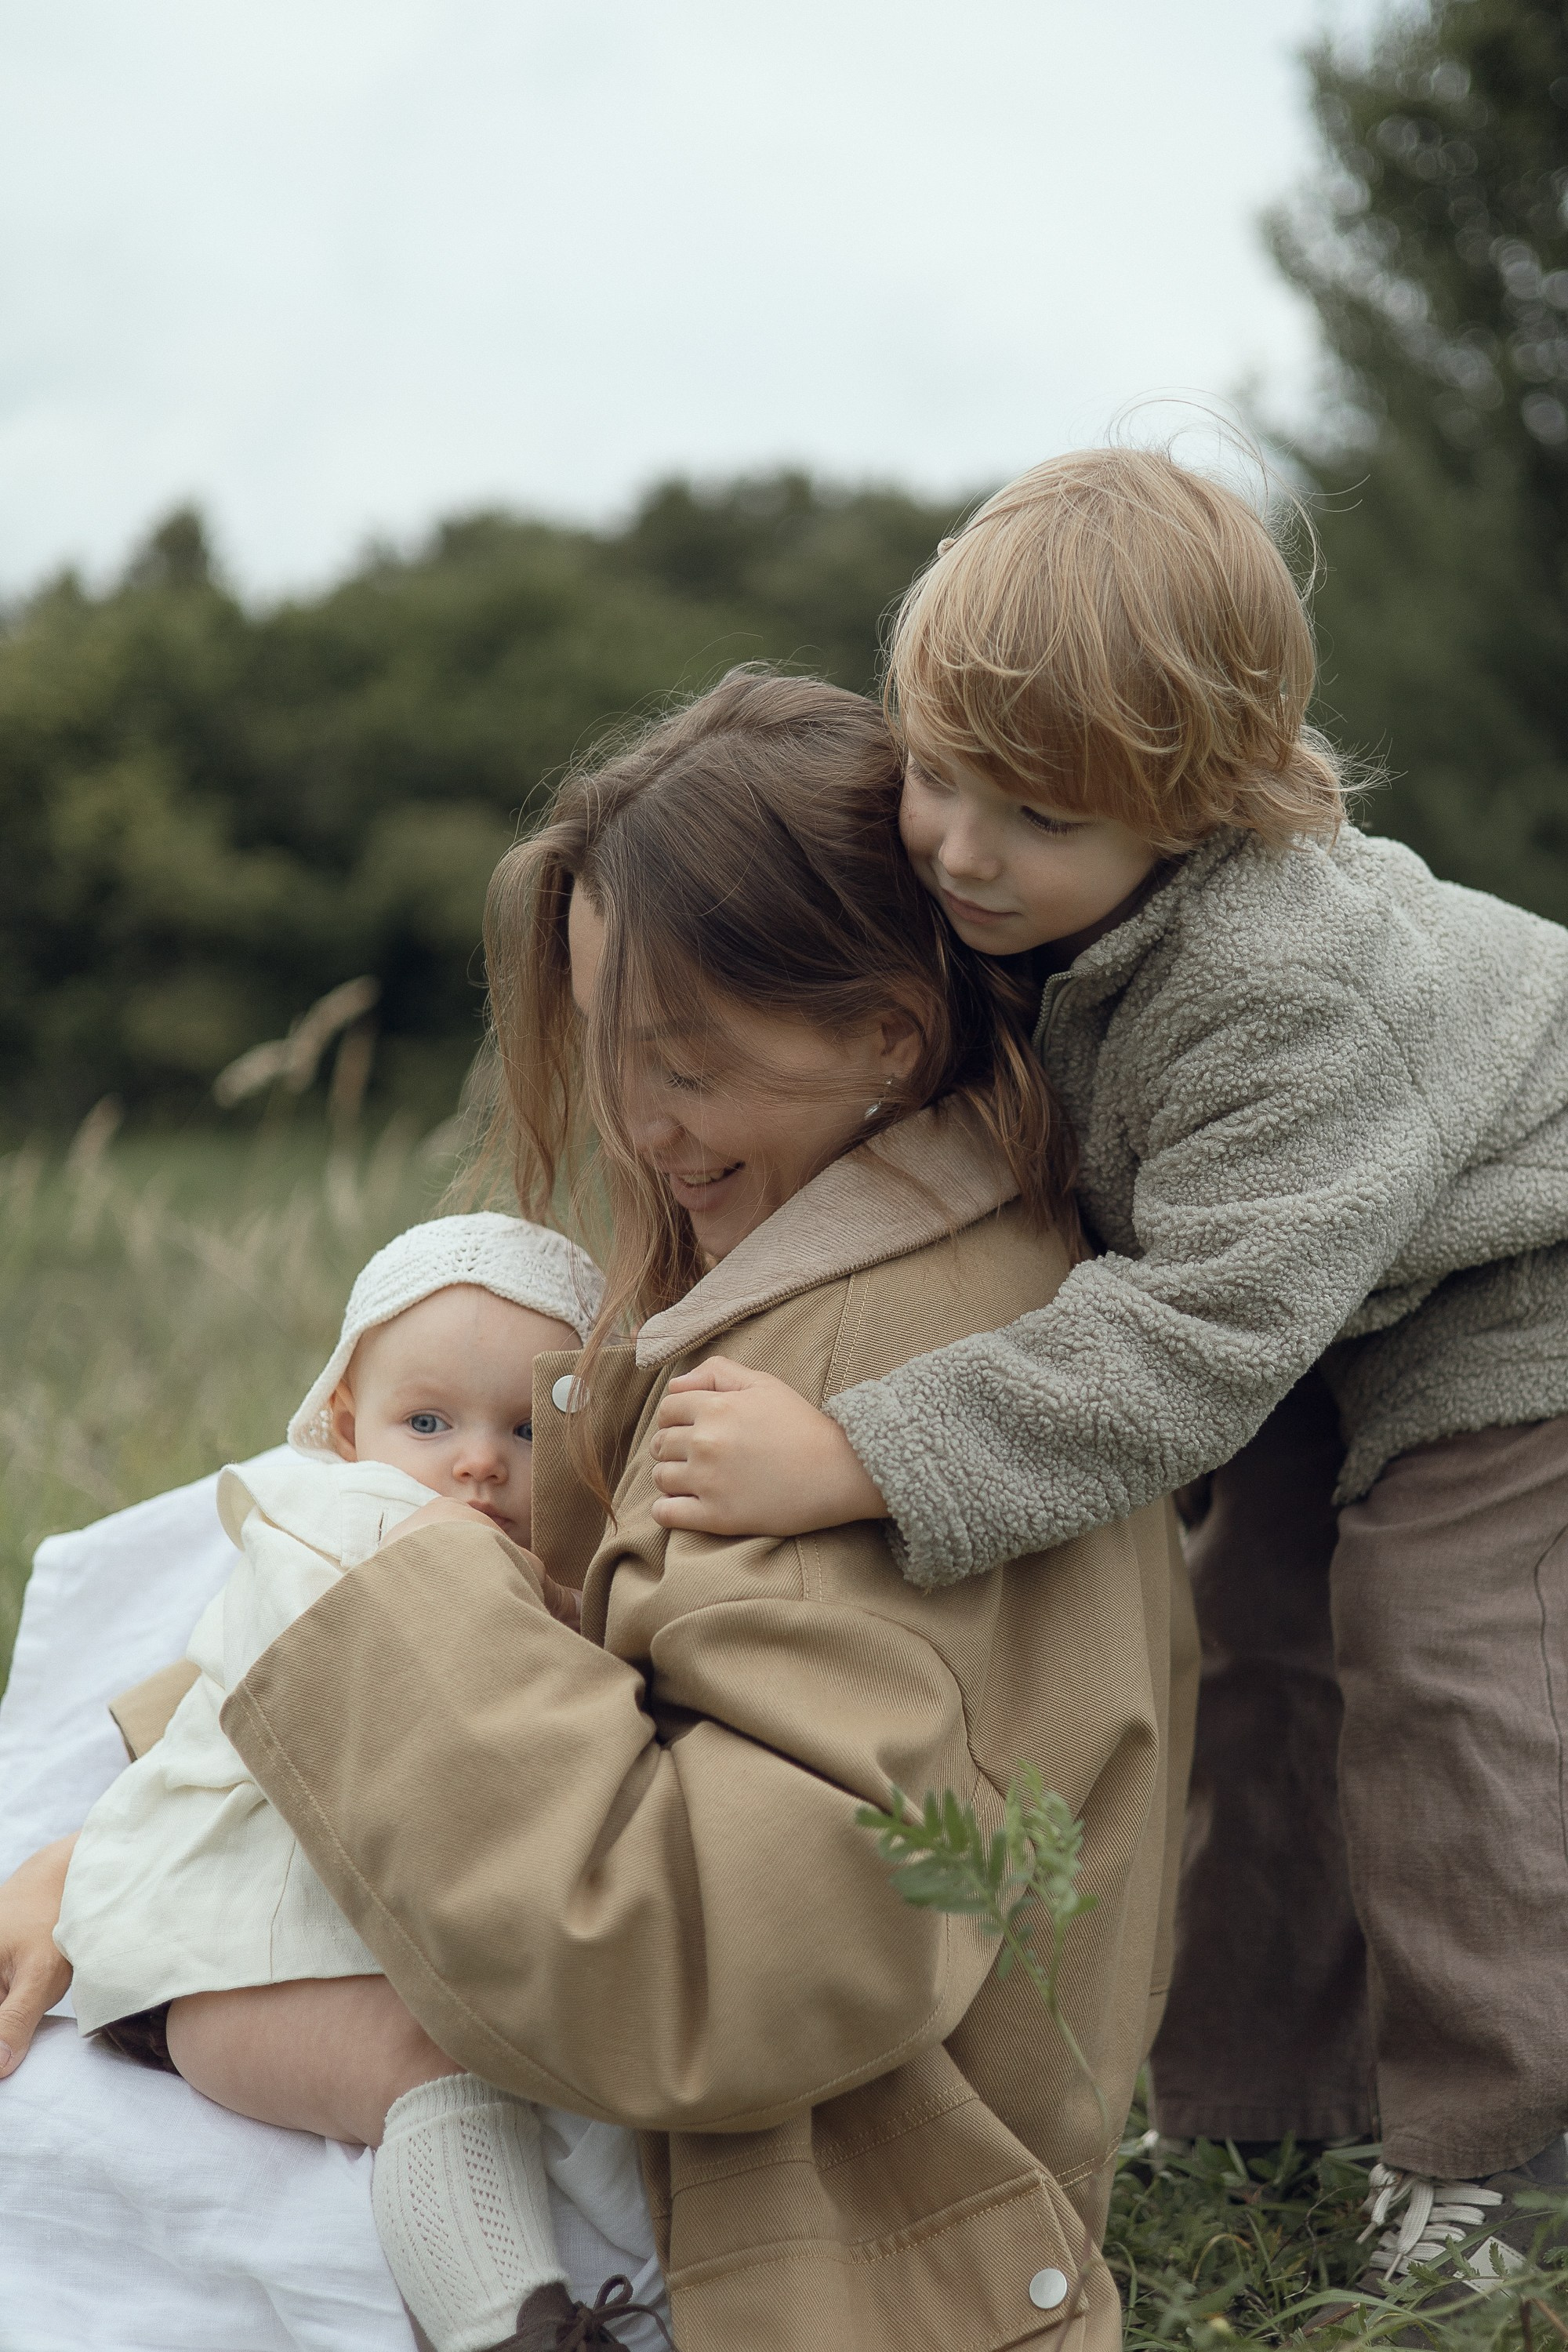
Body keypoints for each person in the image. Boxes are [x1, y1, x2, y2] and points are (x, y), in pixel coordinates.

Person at [0, 670, 1194, 2352]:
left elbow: (723, 1965)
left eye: (686, 1063)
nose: (638, 1127)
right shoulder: (867, 1267)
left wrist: (377, 1578)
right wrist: (117, 1863)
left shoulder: (861, 1367)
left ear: (885, 1033)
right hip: (740, 2131)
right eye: (610, 1058)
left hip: (808, 2215)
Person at [641, 452, 1568, 2328]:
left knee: (1437, 1667)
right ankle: (1260, 2109)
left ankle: (1505, 2155)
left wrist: (861, 1450)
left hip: (1515, 1289)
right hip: (1340, 1291)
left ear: (1201, 799)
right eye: (936, 776)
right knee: (1244, 1652)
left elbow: (1195, 1339)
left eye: (1033, 813)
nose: (962, 848)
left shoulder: (1294, 989)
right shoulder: (1035, 917)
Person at [48, 1210, 670, 2352]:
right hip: (213, 1956)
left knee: (534, 2060)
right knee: (425, 2061)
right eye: (428, 1421)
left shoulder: (568, 1576)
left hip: (332, 1929)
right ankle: (512, 2328)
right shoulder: (350, 1522)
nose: (478, 1461)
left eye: (527, 1430)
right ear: (345, 1424)